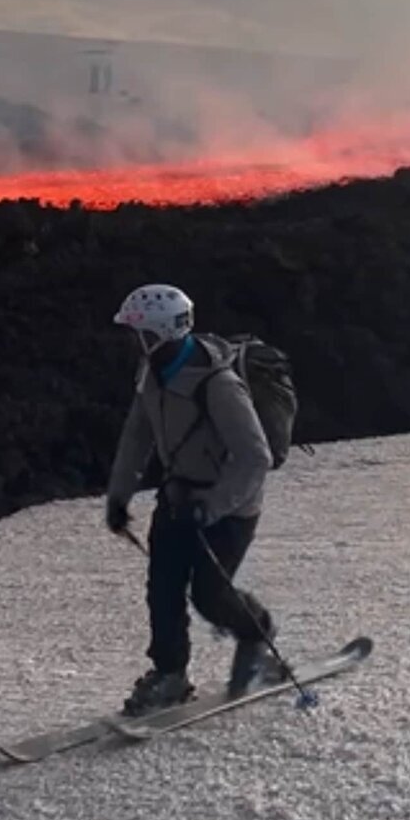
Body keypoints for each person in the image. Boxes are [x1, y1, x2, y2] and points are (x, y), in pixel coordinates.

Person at [104, 283, 277, 716]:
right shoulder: (152, 373)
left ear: (158, 334)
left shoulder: (219, 385)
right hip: (180, 497)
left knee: (209, 595)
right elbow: (137, 435)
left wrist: (213, 505)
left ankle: (257, 633)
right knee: (162, 588)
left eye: (137, 334)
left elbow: (256, 456)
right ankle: (170, 674)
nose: (132, 342)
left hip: (230, 508)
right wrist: (119, 495)